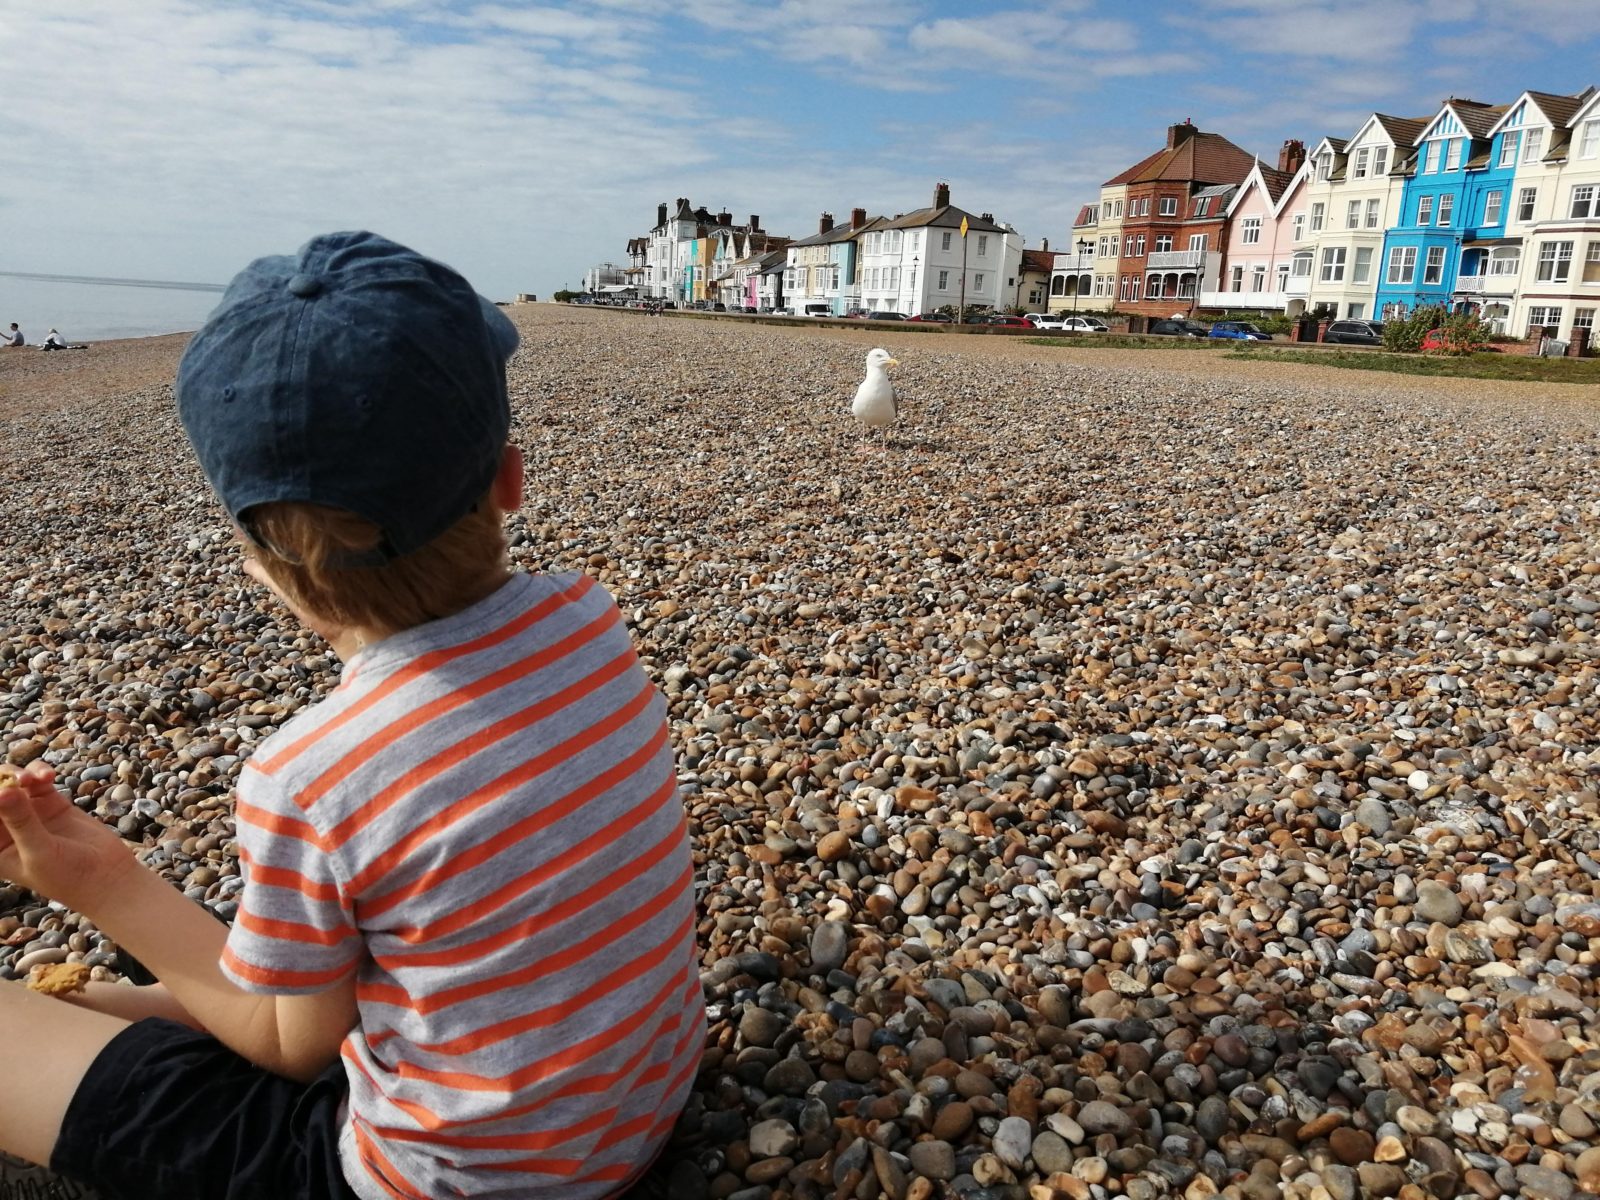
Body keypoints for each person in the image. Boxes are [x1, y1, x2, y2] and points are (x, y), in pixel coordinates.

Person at [0, 230, 705, 1200]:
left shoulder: (315, 775)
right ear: (509, 480)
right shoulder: (588, 623)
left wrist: (103, 880)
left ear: (256, 560)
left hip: (444, 1182)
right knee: (225, 968)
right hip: (634, 1116)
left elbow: (290, 1049)